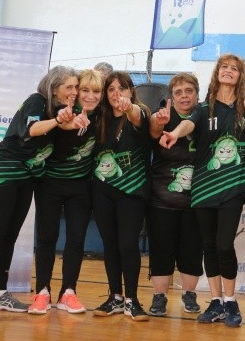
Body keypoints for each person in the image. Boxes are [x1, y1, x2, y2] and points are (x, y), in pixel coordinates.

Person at [160, 54, 245, 327]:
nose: (229, 71)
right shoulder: (204, 108)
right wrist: (174, 134)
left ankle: (231, 300)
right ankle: (216, 301)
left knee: (223, 244)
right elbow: (188, 124)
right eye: (225, 67)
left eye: (235, 69)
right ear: (217, 73)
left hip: (232, 187)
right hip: (203, 187)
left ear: (240, 76)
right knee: (209, 246)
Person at [0, 65, 79, 322]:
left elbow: (66, 127)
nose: (74, 91)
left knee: (10, 234)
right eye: (70, 86)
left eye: (76, 87)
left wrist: (72, 120)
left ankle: (0, 292)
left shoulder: (61, 110)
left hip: (29, 175)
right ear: (55, 88)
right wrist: (58, 121)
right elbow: (32, 129)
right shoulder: (37, 101)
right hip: (6, 170)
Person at [30, 69, 102, 314]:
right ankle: (42, 292)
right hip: (49, 184)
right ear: (75, 92)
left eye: (96, 91)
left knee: (76, 239)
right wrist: (64, 123)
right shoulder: (57, 112)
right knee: (47, 238)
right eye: (84, 90)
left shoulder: (101, 115)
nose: (90, 96)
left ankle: (68, 292)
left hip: (80, 187)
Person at [91, 71, 152, 322]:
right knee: (110, 245)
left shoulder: (139, 112)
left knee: (127, 244)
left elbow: (138, 118)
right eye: (112, 89)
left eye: (122, 88)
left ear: (131, 91)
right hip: (103, 189)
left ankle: (132, 299)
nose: (117, 94)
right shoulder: (100, 117)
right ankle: (115, 296)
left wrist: (130, 109)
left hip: (132, 189)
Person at [147, 73, 204, 317]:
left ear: (197, 94)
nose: (184, 96)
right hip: (163, 199)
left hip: (197, 200)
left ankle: (189, 296)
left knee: (192, 250)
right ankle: (159, 297)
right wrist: (158, 123)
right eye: (178, 92)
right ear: (171, 97)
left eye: (188, 91)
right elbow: (151, 129)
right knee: (161, 250)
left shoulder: (204, 118)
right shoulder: (162, 117)